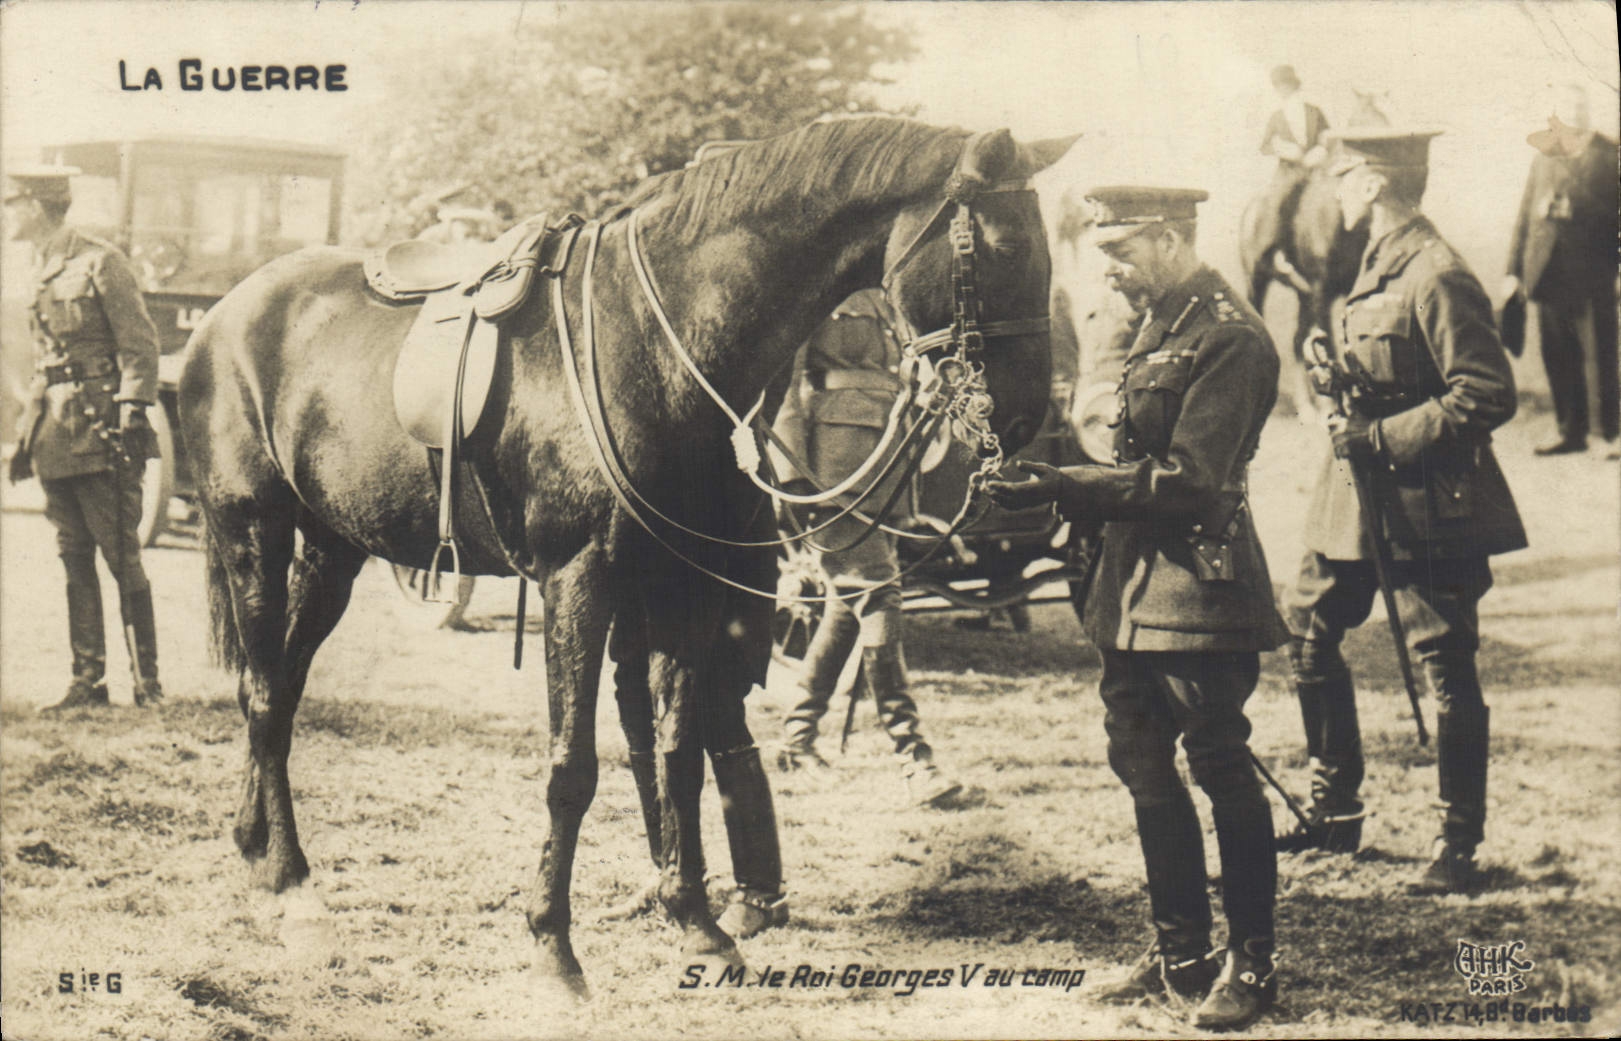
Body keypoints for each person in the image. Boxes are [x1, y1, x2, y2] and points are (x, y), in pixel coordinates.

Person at [984, 187, 1286, 1030]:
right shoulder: (1160, 320)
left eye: (1118, 252)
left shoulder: (1227, 335)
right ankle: (1181, 950)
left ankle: (1252, 961)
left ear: (1163, 237)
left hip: (1199, 589)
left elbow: (1191, 478)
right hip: (1129, 591)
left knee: (1221, 767)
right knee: (1144, 769)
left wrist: (1066, 485)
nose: (1107, 273)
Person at [1278, 130, 1527, 898]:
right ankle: (1336, 807)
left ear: (1374, 183)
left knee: (1444, 664)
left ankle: (1457, 844)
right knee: (1307, 627)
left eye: (1343, 176)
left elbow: (1484, 393)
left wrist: (1380, 434)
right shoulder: (1377, 259)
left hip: (1427, 502)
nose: (1335, 190)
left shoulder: (1436, 272)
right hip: (1355, 497)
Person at [769, 289, 962, 808]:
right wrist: (794, 475)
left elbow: (898, 378)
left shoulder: (889, 297)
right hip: (831, 465)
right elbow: (784, 385)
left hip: (886, 459)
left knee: (847, 605)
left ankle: (797, 738)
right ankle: (913, 757)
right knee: (879, 596)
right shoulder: (818, 283)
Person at [4, 165, 164, 710]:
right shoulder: (38, 268)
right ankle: (87, 682)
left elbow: (140, 345)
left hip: (102, 431)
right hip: (53, 432)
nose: (6, 213)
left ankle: (148, 684)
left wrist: (131, 412)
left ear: (40, 205)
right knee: (73, 554)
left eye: (13, 202)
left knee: (121, 555)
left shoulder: (100, 261)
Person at [1504, 83, 1619, 455]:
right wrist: (1514, 271)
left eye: (1577, 109)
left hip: (1594, 271)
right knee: (1557, 354)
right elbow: (1524, 214)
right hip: (1548, 271)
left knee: (1599, 356)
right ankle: (1569, 431)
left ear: (1586, 114)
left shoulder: (1608, 154)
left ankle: (1609, 436)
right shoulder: (1543, 155)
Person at [1253, 65, 1331, 272]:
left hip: (1315, 171)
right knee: (1279, 203)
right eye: (1278, 86)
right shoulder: (1276, 117)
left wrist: (1321, 150)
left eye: (1285, 84)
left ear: (1294, 85)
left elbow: (1328, 138)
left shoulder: (1314, 112)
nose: (1282, 89)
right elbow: (1265, 146)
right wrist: (1282, 149)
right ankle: (1278, 252)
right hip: (1288, 174)